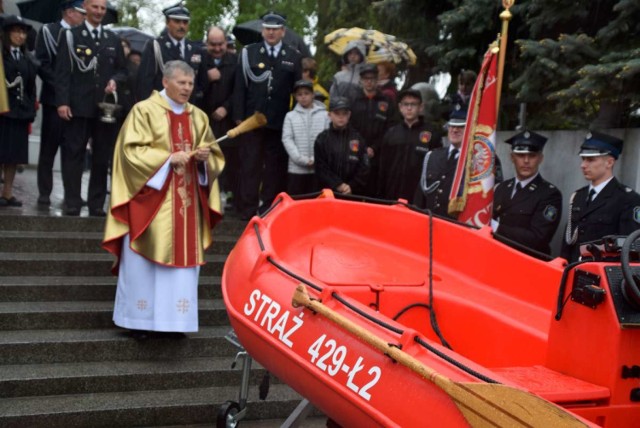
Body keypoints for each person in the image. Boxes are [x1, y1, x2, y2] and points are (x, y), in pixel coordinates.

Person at [102, 60, 225, 340]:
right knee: (144, 262)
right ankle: (138, 321)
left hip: (187, 203)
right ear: (166, 82)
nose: (187, 88)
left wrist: (205, 161)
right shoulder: (143, 111)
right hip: (151, 202)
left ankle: (174, 323)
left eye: (191, 84)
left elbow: (214, 156)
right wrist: (168, 159)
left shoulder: (198, 117)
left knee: (180, 271)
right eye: (181, 82)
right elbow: (129, 153)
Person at [54, 0, 128, 216]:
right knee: (74, 153)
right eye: (95, 7)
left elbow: (123, 71)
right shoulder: (71, 35)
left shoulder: (112, 39)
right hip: (77, 106)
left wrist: (115, 80)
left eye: (103, 8)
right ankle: (73, 201)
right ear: (85, 7)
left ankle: (96, 204)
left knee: (101, 156)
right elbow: (62, 72)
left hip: (104, 109)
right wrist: (62, 102)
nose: (99, 12)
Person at [232, 11, 303, 220]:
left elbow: (297, 90)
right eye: (268, 29)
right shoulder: (249, 53)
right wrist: (239, 116)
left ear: (283, 31)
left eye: (275, 29)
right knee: (250, 165)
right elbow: (239, 87)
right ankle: (247, 209)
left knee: (274, 167)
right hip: (252, 119)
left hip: (279, 121)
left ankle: (268, 209)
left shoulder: (293, 56)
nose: (271, 33)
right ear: (262, 30)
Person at [34, 0, 85, 207]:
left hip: (77, 103)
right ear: (69, 12)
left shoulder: (81, 35)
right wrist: (63, 89)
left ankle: (71, 194)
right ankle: (44, 193)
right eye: (81, 12)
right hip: (54, 100)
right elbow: (42, 64)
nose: (83, 17)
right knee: (49, 148)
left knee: (72, 150)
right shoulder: (49, 31)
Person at [560, 131, 640, 262]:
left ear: (609, 162)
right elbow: (568, 241)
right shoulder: (578, 196)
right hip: (574, 269)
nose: (583, 165)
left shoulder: (628, 199)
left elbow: (630, 249)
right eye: (583, 159)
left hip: (602, 274)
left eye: (591, 160)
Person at [491, 131, 562, 256]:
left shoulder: (549, 194)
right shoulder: (501, 188)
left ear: (540, 158)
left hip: (527, 262)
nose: (526, 161)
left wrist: (497, 228)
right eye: (520, 155)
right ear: (512, 157)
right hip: (497, 255)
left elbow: (539, 238)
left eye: (532, 155)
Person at [197, 26, 238, 211]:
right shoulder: (198, 60)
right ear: (207, 43)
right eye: (212, 44)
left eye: (220, 44)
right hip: (203, 118)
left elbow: (238, 90)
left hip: (225, 119)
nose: (217, 48)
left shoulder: (234, 61)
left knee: (226, 157)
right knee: (204, 157)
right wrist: (206, 77)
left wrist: (226, 108)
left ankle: (227, 194)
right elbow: (193, 88)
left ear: (225, 42)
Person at [377, 89, 442, 202]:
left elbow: (437, 167)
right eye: (406, 104)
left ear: (421, 107)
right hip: (391, 193)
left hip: (418, 195)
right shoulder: (392, 133)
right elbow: (382, 167)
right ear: (400, 107)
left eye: (413, 104)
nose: (409, 108)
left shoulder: (431, 133)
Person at [0, 16, 37, 208]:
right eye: (16, 31)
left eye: (23, 32)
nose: (21, 36)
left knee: (14, 156)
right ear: (7, 33)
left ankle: (7, 192)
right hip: (3, 112)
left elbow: (31, 87)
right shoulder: (2, 55)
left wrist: (30, 110)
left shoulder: (26, 58)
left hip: (19, 114)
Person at [136, 2, 201, 102]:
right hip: (161, 107)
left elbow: (201, 83)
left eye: (185, 22)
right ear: (167, 22)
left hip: (188, 108)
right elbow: (145, 82)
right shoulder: (155, 46)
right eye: (177, 21)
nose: (181, 26)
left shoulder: (195, 49)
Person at [349, 63, 396, 196]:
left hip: (379, 155)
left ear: (377, 80)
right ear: (361, 80)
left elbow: (390, 128)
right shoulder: (353, 100)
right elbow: (350, 126)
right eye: (366, 79)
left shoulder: (386, 101)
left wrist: (374, 148)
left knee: (375, 192)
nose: (369, 82)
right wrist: (363, 147)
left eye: (372, 78)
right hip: (356, 152)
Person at [413, 106, 466, 218]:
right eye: (452, 126)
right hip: (430, 223)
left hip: (458, 227)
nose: (455, 130)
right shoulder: (433, 156)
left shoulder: (478, 161)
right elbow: (420, 196)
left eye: (461, 127)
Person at [282, 80, 329, 195]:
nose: (303, 97)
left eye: (306, 93)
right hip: (296, 169)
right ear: (295, 97)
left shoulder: (324, 115)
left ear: (312, 94)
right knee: (297, 200)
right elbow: (287, 139)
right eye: (299, 94)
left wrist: (315, 158)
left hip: (318, 169)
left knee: (316, 201)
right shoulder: (290, 116)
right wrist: (300, 159)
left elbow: (327, 138)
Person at [314, 97, 369, 196]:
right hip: (327, 194)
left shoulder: (358, 138)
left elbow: (364, 168)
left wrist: (351, 186)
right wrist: (337, 184)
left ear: (349, 115)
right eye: (337, 113)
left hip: (352, 194)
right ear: (329, 115)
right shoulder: (321, 139)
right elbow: (320, 168)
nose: (341, 117)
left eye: (344, 113)